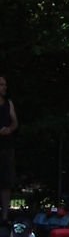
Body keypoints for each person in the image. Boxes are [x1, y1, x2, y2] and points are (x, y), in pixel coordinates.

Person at [0, 74, 18, 228]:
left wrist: (9, 129)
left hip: (6, 145)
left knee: (6, 181)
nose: (4, 87)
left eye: (5, 84)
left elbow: (15, 122)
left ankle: (4, 215)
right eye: (1, 85)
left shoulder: (8, 103)